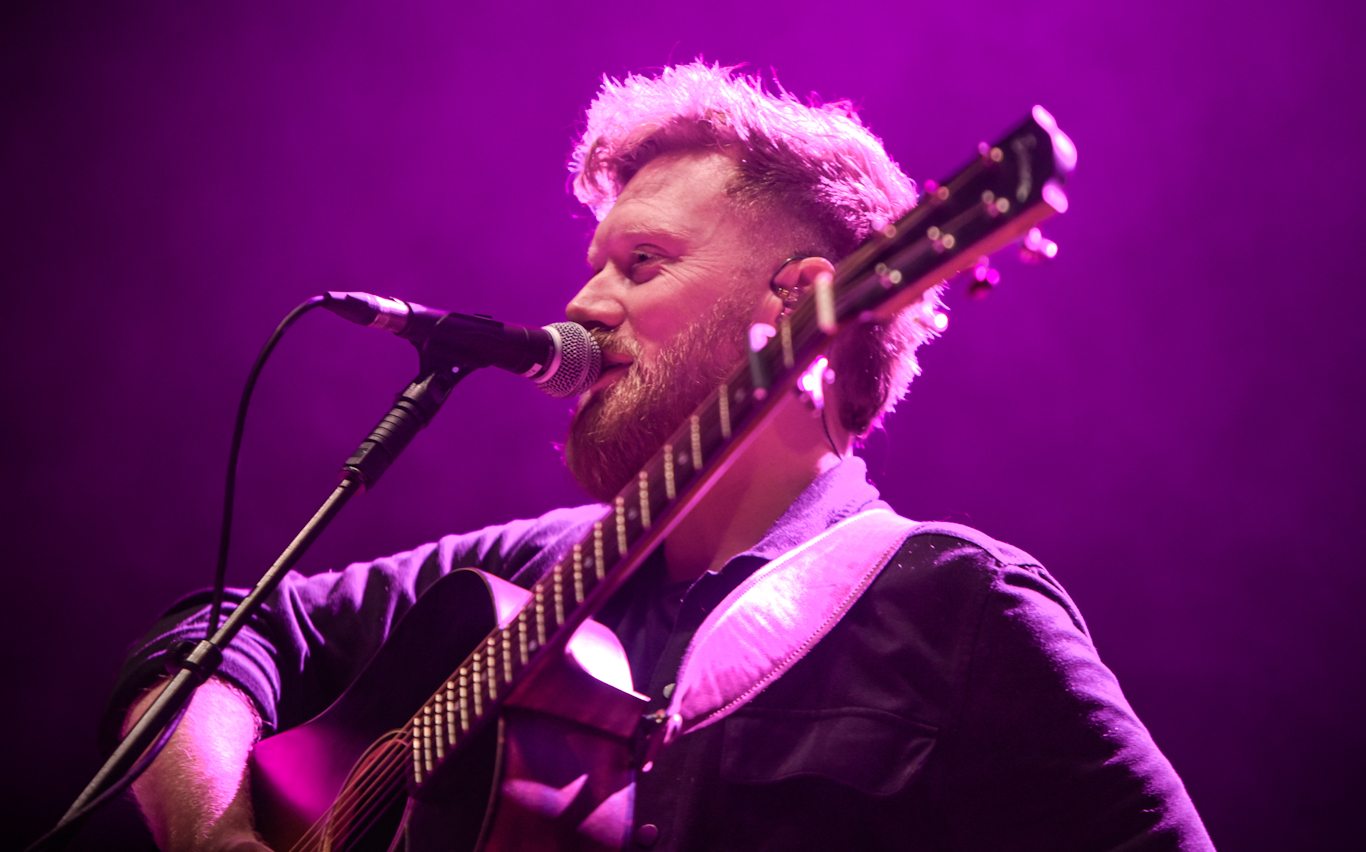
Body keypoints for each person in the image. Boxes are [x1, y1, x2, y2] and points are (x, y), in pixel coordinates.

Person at [104, 61, 1215, 851]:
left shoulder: (961, 612)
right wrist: (216, 834)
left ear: (796, 303)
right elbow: (205, 642)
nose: (584, 302)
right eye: (595, 263)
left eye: (642, 262)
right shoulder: (522, 573)